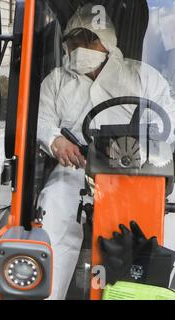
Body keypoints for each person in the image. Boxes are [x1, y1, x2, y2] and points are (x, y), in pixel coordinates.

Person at [37, 4, 175, 299]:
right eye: (73, 42)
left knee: (160, 223)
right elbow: (40, 120)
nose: (79, 48)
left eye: (88, 40)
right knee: (55, 208)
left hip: (136, 170)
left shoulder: (143, 77)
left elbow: (167, 123)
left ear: (107, 41)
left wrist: (142, 151)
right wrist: (54, 141)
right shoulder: (57, 81)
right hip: (75, 168)